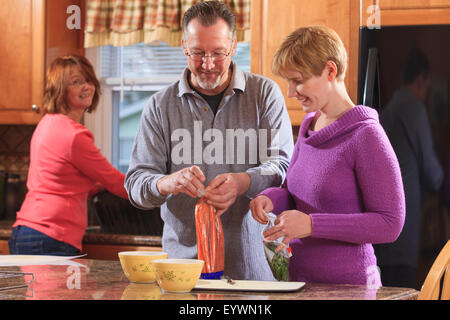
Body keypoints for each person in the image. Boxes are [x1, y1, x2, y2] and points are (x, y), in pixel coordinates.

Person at [125, 1, 293, 280]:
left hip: (254, 270)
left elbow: (282, 166)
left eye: (218, 53)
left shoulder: (264, 94)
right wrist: (166, 182)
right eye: (197, 53)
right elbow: (135, 184)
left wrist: (244, 182)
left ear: (234, 45)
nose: (207, 65)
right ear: (183, 46)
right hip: (182, 275)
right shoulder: (159, 106)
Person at [250, 26, 405, 286]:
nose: (290, 92)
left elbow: (390, 223)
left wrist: (312, 225)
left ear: (330, 71)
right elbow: (293, 194)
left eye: (298, 80)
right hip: (300, 284)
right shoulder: (310, 125)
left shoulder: (366, 135)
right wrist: (269, 199)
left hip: (349, 287)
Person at [9, 55, 128, 256]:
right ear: (60, 89)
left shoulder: (47, 123)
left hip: (27, 230)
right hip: (51, 235)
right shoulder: (74, 136)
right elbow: (116, 182)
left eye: (88, 80)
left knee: (33, 290)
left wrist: (93, 187)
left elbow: (60, 180)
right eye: (76, 82)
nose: (87, 87)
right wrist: (159, 189)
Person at [374, 49, 444, 288]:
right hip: (403, 230)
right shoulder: (413, 108)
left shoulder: (390, 108)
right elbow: (433, 173)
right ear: (421, 79)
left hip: (384, 231)